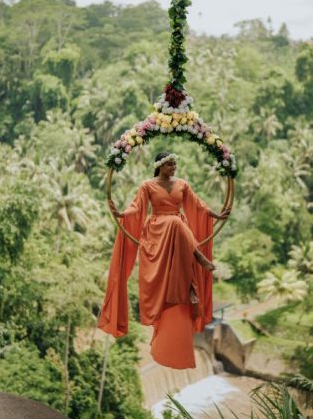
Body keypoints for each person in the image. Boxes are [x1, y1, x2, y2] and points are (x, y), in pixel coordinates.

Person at [98, 151, 230, 369]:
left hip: (178, 233)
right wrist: (121, 214)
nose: (174, 167)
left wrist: (216, 215)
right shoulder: (147, 186)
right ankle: (200, 259)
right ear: (160, 166)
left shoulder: (182, 185)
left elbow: (198, 206)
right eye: (170, 164)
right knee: (176, 223)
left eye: (175, 164)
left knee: (178, 223)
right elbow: (136, 207)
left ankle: (189, 275)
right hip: (157, 231)